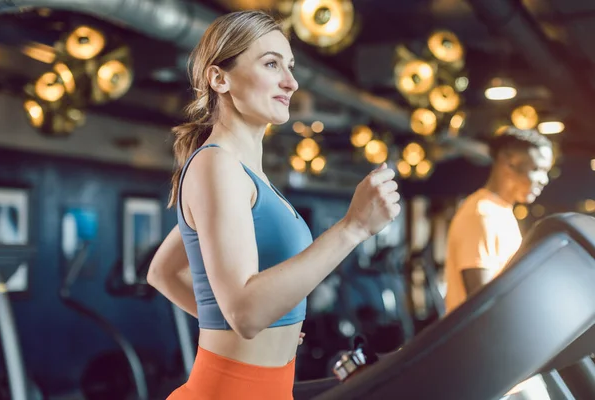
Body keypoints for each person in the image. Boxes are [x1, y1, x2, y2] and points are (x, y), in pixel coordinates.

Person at [146, 10, 400, 400]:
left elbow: (163, 272)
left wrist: (272, 322)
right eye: (271, 64)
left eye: (291, 66)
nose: (291, 81)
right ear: (219, 78)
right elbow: (245, 314)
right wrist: (354, 228)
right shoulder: (217, 164)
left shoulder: (245, 173)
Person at [444, 126, 554, 399]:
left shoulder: (502, 213)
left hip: (508, 362)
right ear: (508, 162)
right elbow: (483, 304)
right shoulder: (480, 215)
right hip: (492, 369)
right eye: (538, 169)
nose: (544, 179)